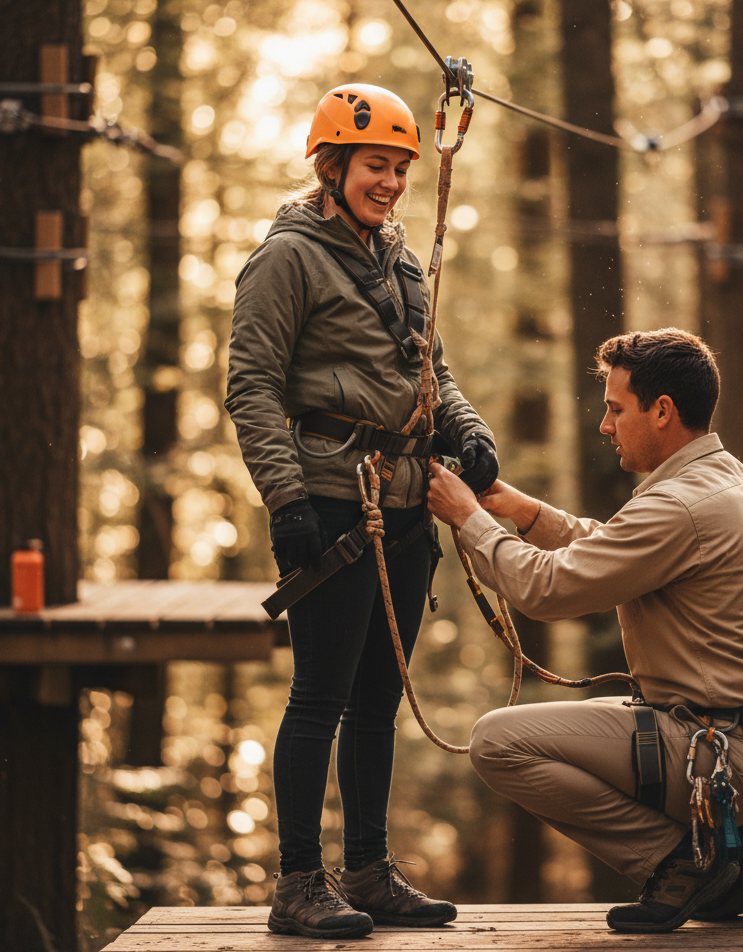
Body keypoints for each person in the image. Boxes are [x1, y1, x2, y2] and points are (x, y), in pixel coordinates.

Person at [225, 83, 498, 939]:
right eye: (376, 165)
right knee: (319, 696)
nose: (391, 183)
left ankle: (369, 870)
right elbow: (252, 385)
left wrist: (468, 429)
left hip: (405, 500)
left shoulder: (401, 261)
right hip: (333, 501)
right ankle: (298, 883)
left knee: (377, 699)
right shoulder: (287, 259)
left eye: (401, 168)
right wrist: (288, 497)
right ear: (332, 164)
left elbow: (432, 373)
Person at [426, 328, 743, 933]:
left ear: (662, 412)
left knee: (497, 743)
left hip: (721, 759)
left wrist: (468, 519)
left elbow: (545, 590)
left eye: (614, 408)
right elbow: (614, 550)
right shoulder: (727, 479)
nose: (605, 426)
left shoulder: (678, 504)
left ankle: (682, 861)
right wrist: (524, 512)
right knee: (522, 736)